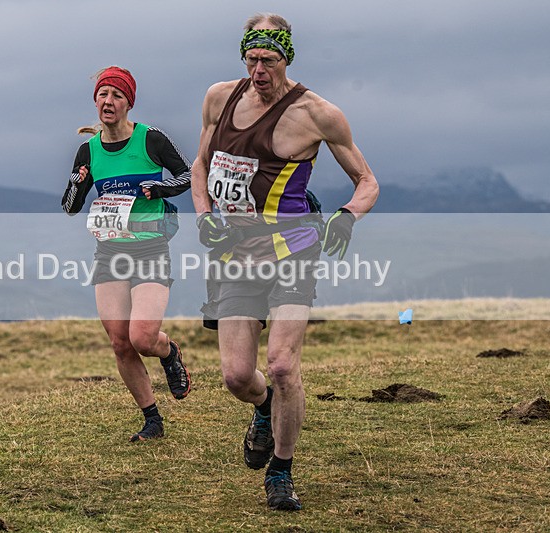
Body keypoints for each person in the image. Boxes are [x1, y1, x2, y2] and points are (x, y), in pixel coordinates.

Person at [191, 14, 379, 510]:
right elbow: (201, 165)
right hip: (234, 255)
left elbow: (368, 182)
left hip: (292, 252)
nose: (258, 71)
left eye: (268, 61)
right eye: (251, 60)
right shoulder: (219, 98)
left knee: (281, 365)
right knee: (236, 376)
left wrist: (346, 217)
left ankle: (281, 471)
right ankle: (265, 409)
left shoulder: (318, 114)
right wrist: (204, 214)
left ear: (286, 57)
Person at [62, 66, 193, 442]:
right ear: (96, 101)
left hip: (151, 247)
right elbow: (71, 207)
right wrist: (77, 182)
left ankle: (167, 352)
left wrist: (160, 188)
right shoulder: (88, 150)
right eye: (103, 94)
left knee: (142, 337)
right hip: (110, 251)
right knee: (119, 341)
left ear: (127, 103)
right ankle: (152, 418)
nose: (109, 101)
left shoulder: (150, 139)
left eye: (117, 96)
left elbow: (187, 175)